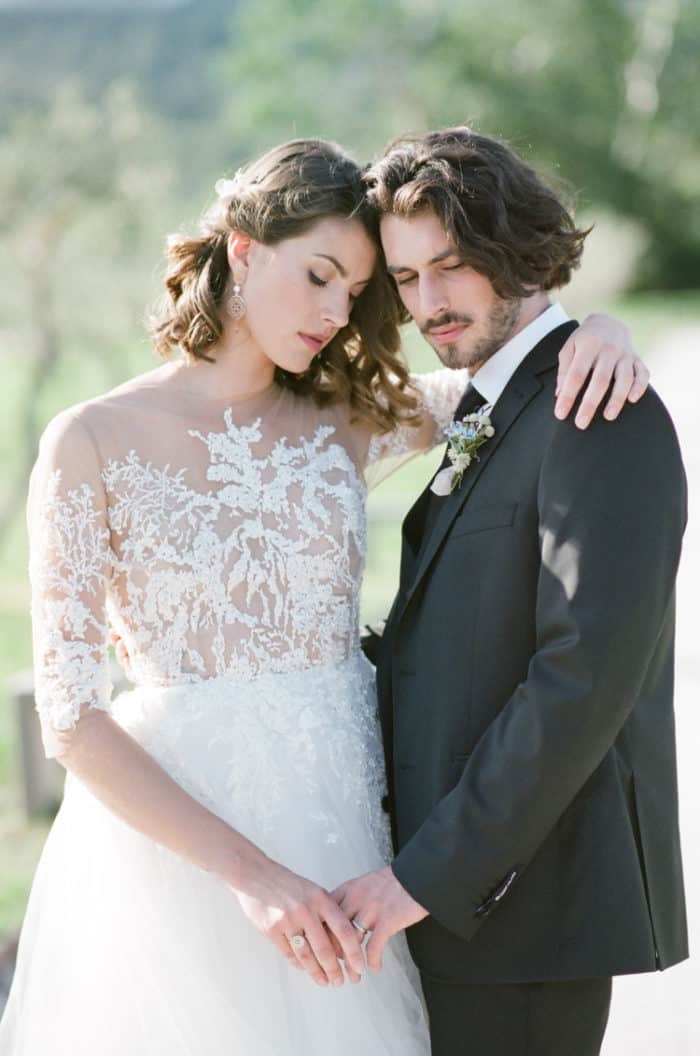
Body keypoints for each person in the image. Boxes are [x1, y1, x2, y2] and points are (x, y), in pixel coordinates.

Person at [0, 137, 646, 1056]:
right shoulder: (90, 441)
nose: (337, 312)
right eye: (318, 275)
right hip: (187, 855)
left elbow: (516, 374)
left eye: (355, 291)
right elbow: (68, 714)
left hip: (350, 837)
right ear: (241, 247)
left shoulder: (353, 417)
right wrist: (253, 876)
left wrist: (597, 333)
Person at [335, 128, 688, 1056]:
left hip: (527, 918)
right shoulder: (498, 402)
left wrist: (428, 877)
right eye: (407, 280)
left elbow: (584, 678)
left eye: (449, 267)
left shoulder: (597, 408)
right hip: (451, 914)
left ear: (516, 249)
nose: (429, 304)